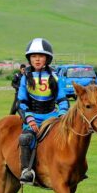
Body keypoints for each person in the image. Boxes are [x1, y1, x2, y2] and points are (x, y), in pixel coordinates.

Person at [17, 38, 69, 184]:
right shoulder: (24, 78)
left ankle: (72, 168)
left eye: (40, 56)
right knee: (25, 138)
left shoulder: (55, 77)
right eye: (34, 56)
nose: (37, 59)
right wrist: (29, 118)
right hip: (33, 116)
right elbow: (21, 101)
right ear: (29, 59)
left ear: (47, 58)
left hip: (53, 117)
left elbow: (63, 99)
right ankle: (27, 171)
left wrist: (62, 114)